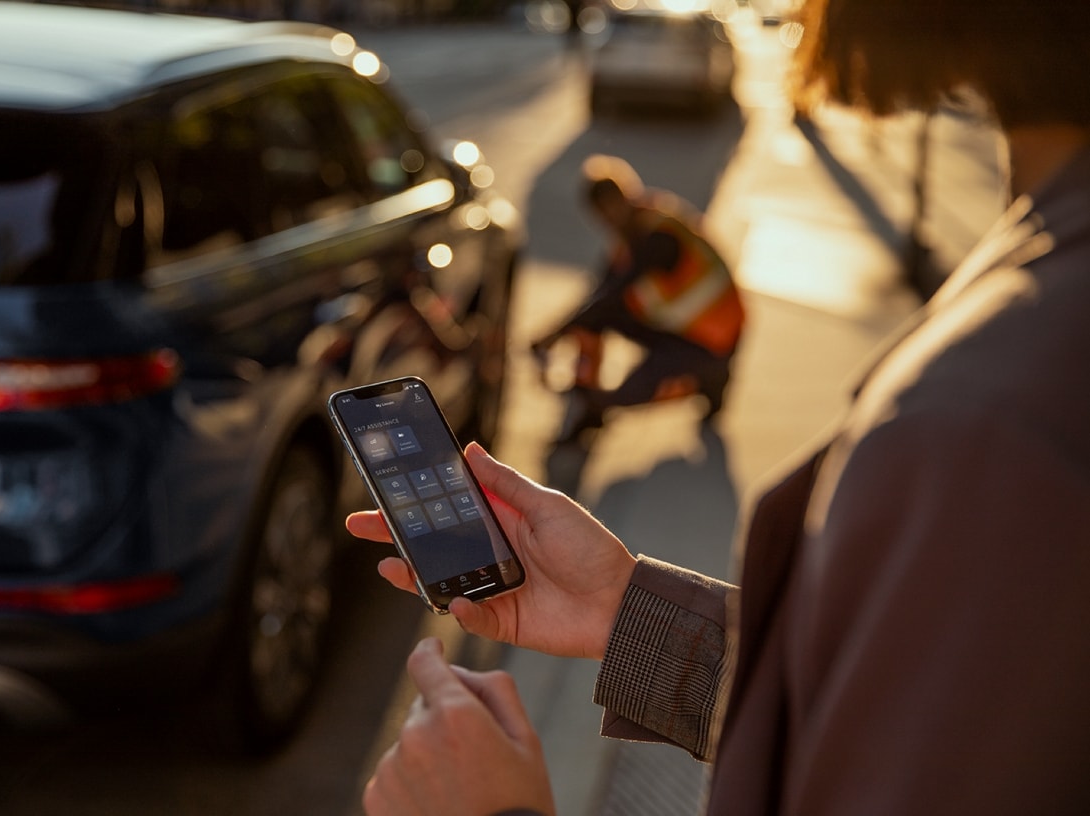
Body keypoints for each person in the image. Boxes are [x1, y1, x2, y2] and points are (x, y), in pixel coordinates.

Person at [350, 0, 1090, 813]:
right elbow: (867, 712)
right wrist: (625, 612)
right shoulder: (1039, 297)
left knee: (632, 376)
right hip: (704, 345)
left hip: (709, 345)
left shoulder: (990, 420)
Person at [532, 154, 744, 446]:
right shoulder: (632, 235)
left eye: (611, 208)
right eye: (602, 214)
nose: (608, 219)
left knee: (627, 393)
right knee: (595, 317)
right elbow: (598, 296)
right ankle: (591, 409)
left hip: (714, 338)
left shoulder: (658, 237)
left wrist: (553, 335)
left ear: (625, 197)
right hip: (683, 327)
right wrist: (559, 330)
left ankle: (708, 380)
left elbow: (615, 292)